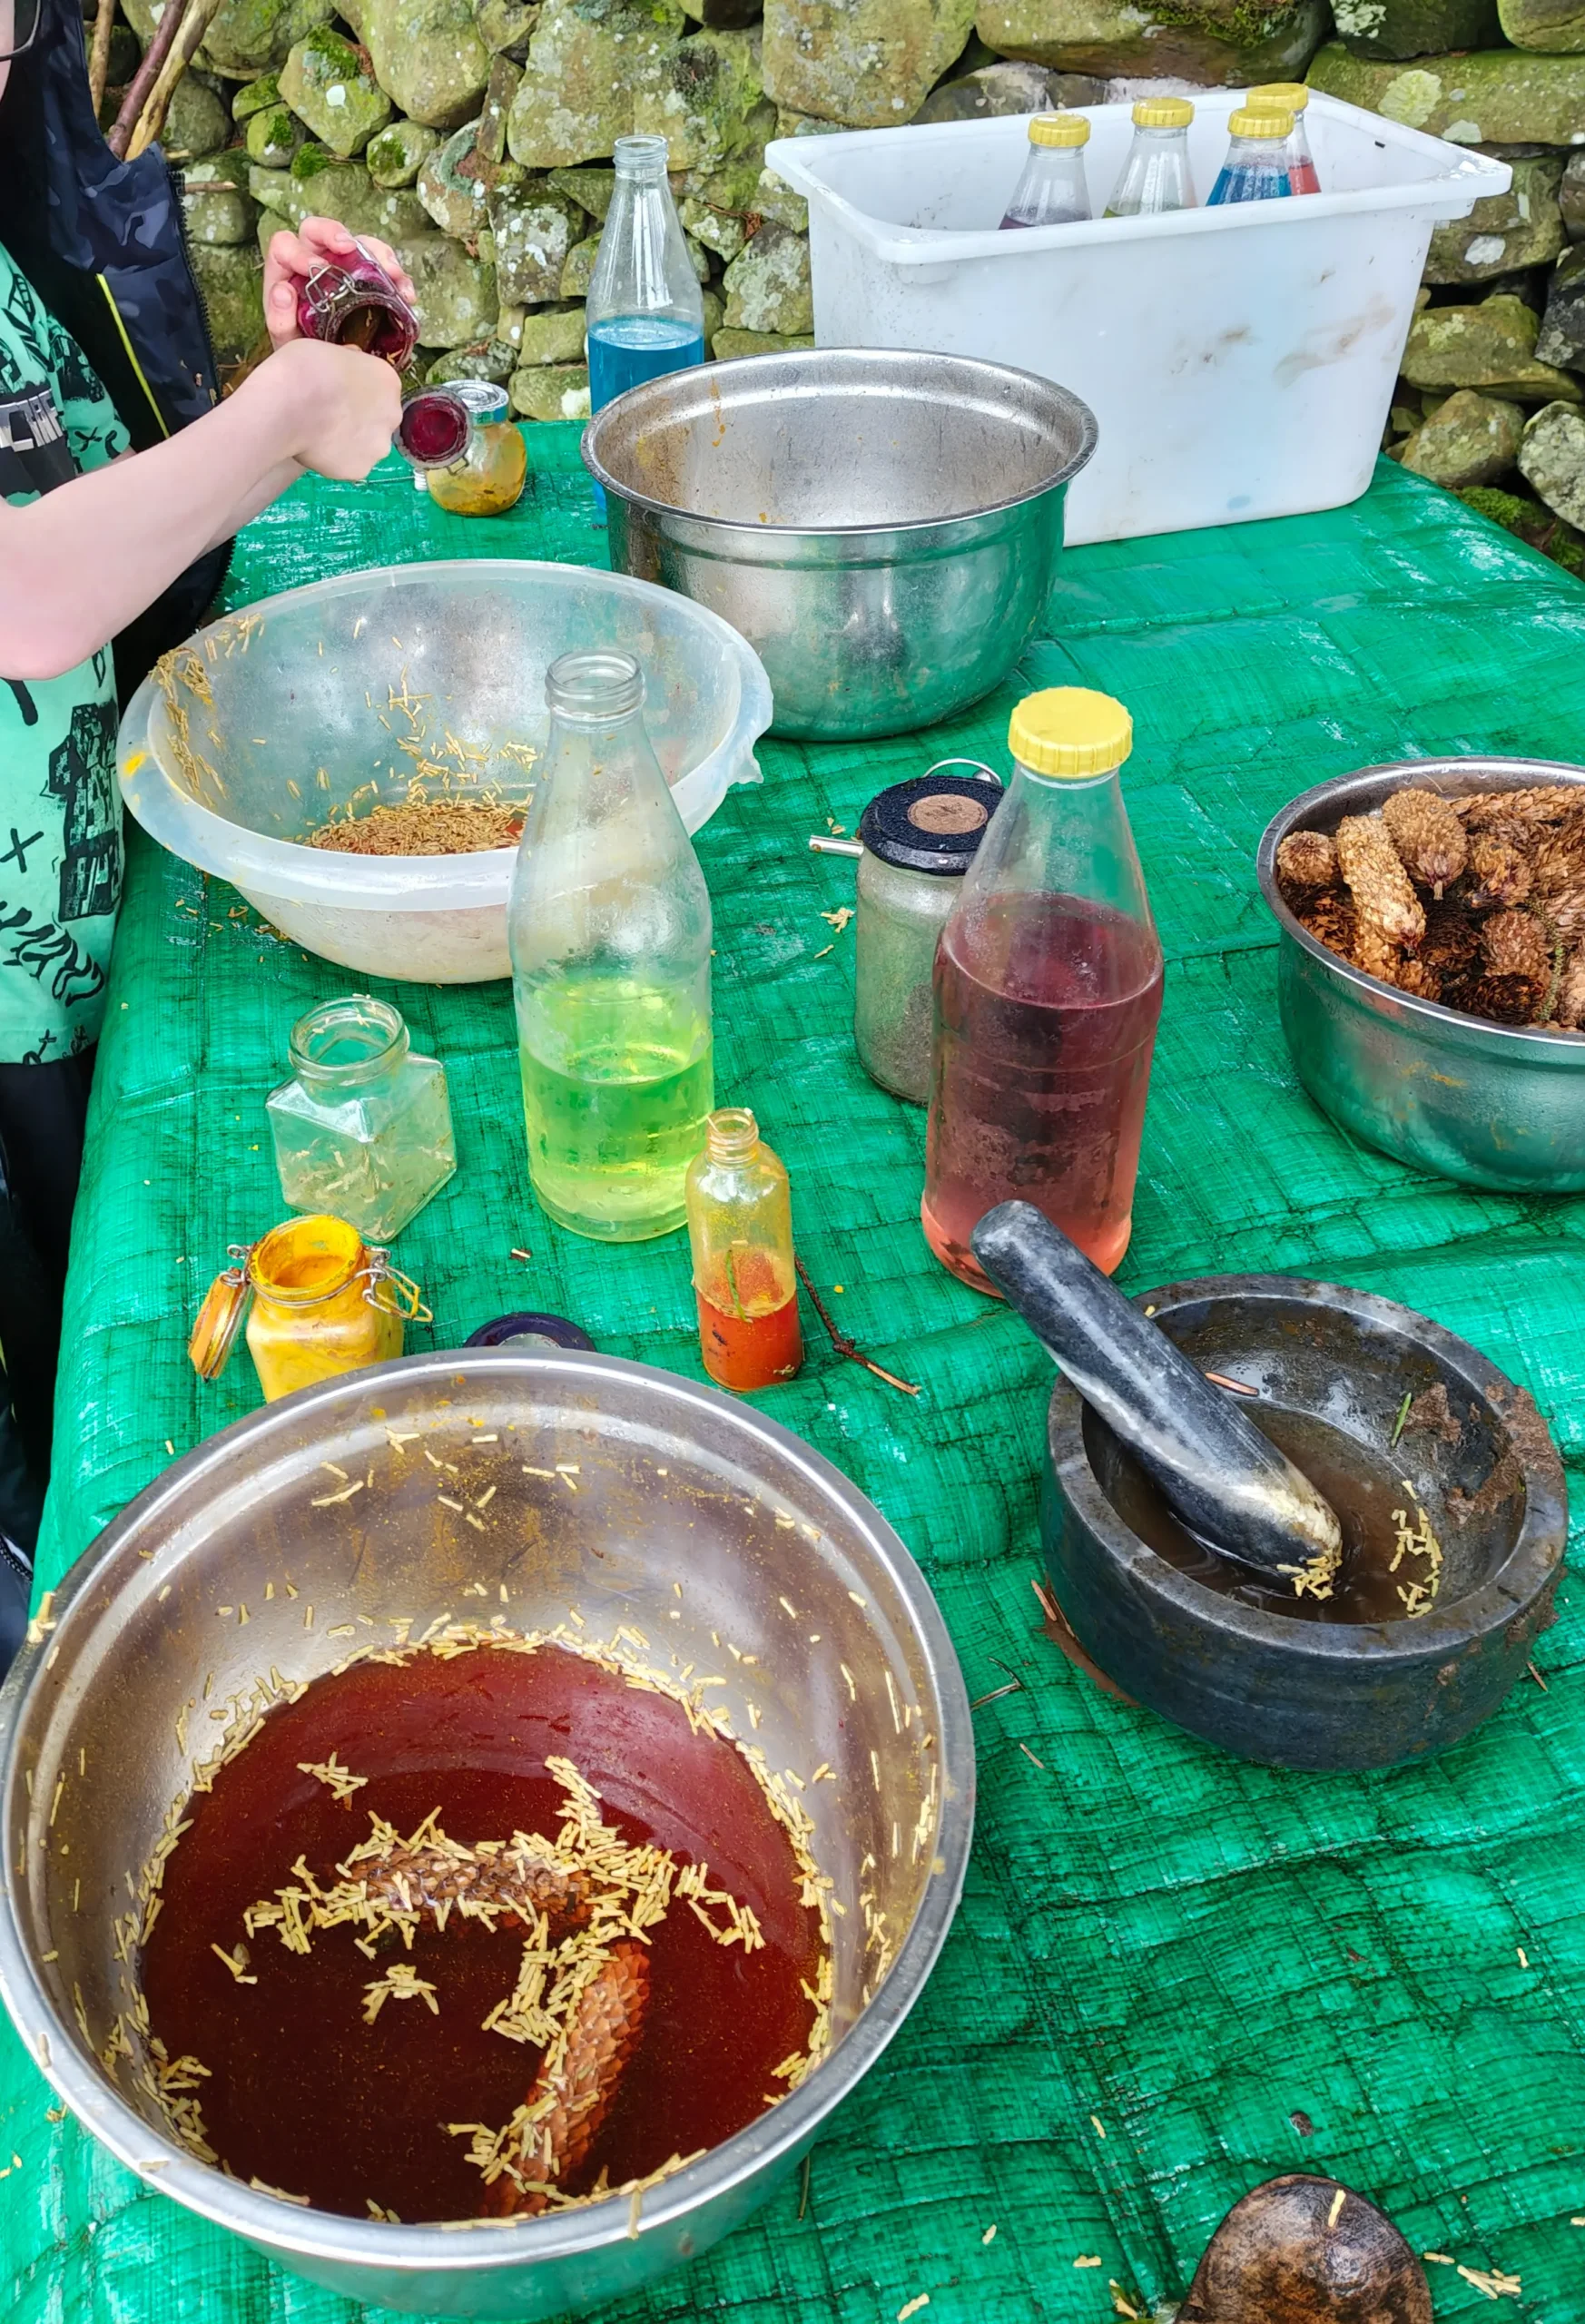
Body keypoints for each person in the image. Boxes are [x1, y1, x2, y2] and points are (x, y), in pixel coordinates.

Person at [0, 0, 409, 1600]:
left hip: (62, 940)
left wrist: (282, 374)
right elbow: (24, 595)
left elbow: (67, 494)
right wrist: (285, 421)